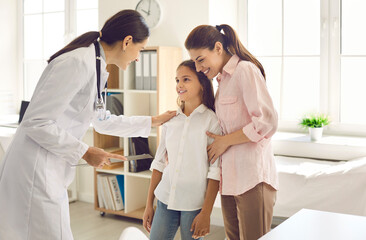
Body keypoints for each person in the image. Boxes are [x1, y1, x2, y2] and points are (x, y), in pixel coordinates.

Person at [0, 10, 175, 240]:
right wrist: (85, 151)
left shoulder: (96, 66)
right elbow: (36, 121)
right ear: (127, 42)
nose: (138, 59)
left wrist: (152, 121)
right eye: (140, 50)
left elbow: (101, 120)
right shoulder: (77, 63)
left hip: (48, 167)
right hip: (34, 169)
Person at [185, 24, 279, 240]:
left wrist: (225, 142)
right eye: (194, 62)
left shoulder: (245, 71)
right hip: (229, 180)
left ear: (218, 48)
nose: (198, 68)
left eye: (201, 59)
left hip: (253, 178)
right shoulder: (222, 82)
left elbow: (267, 121)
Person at [142, 60, 221, 240]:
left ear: (202, 84)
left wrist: (206, 213)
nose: (179, 85)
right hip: (165, 199)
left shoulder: (212, 121)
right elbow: (159, 164)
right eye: (177, 80)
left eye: (186, 79)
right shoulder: (170, 120)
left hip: (194, 205)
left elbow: (215, 171)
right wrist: (149, 204)